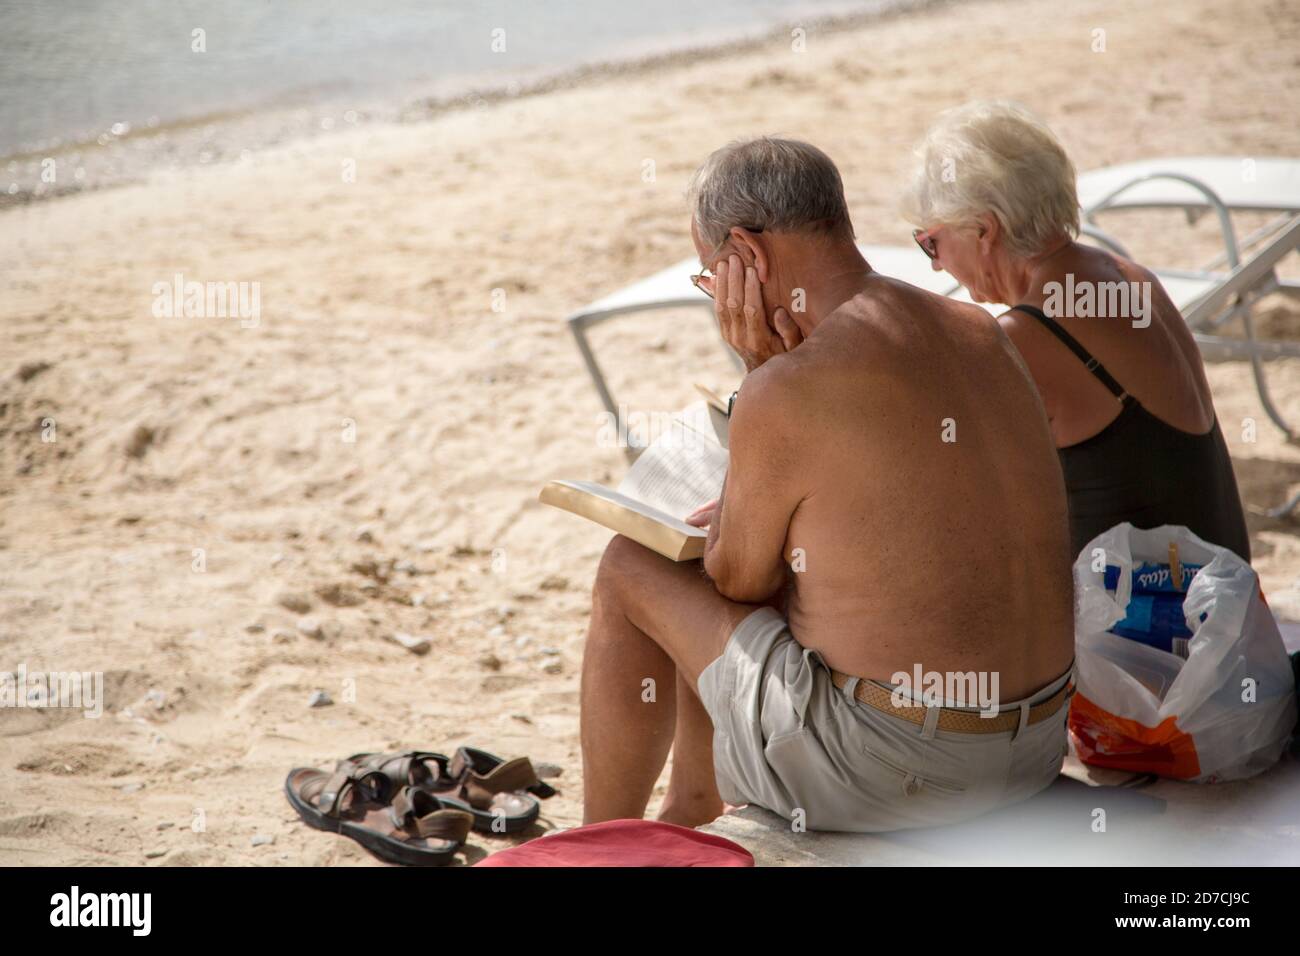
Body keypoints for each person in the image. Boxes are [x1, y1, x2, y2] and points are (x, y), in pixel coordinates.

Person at [578, 136, 1075, 833]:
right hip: (1036, 744)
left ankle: (598, 844)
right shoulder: (982, 330)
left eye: (709, 276)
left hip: (901, 772)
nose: (715, 295)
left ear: (746, 256)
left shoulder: (788, 386)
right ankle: (689, 807)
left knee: (632, 566)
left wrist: (758, 377)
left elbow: (737, 582)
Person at [903, 100, 1251, 562]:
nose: (938, 263)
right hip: (1223, 603)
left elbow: (936, 487)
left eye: (931, 242)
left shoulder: (1027, 338)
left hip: (1152, 626)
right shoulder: (1131, 277)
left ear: (984, 230)